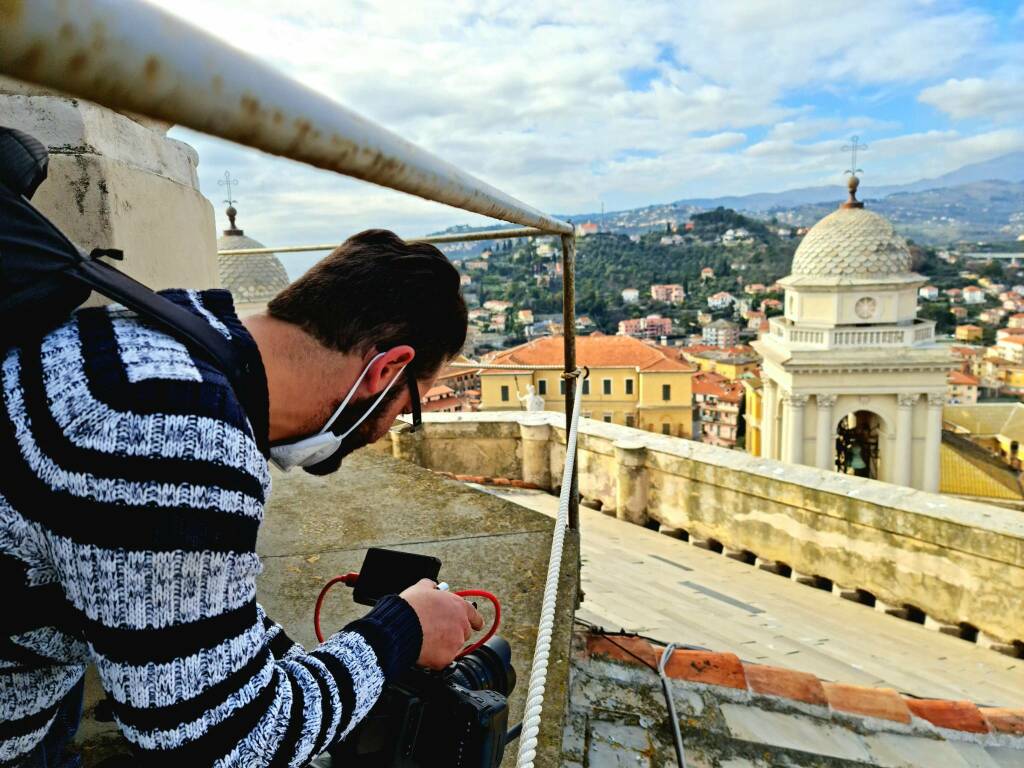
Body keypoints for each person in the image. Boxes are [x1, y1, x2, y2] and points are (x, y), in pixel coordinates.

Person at [0, 229, 481, 766]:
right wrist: (400, 630)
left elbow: (187, 609)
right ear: (386, 369)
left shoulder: (158, 335)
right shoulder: (176, 428)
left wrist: (294, 667)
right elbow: (220, 746)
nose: (392, 426)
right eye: (408, 405)